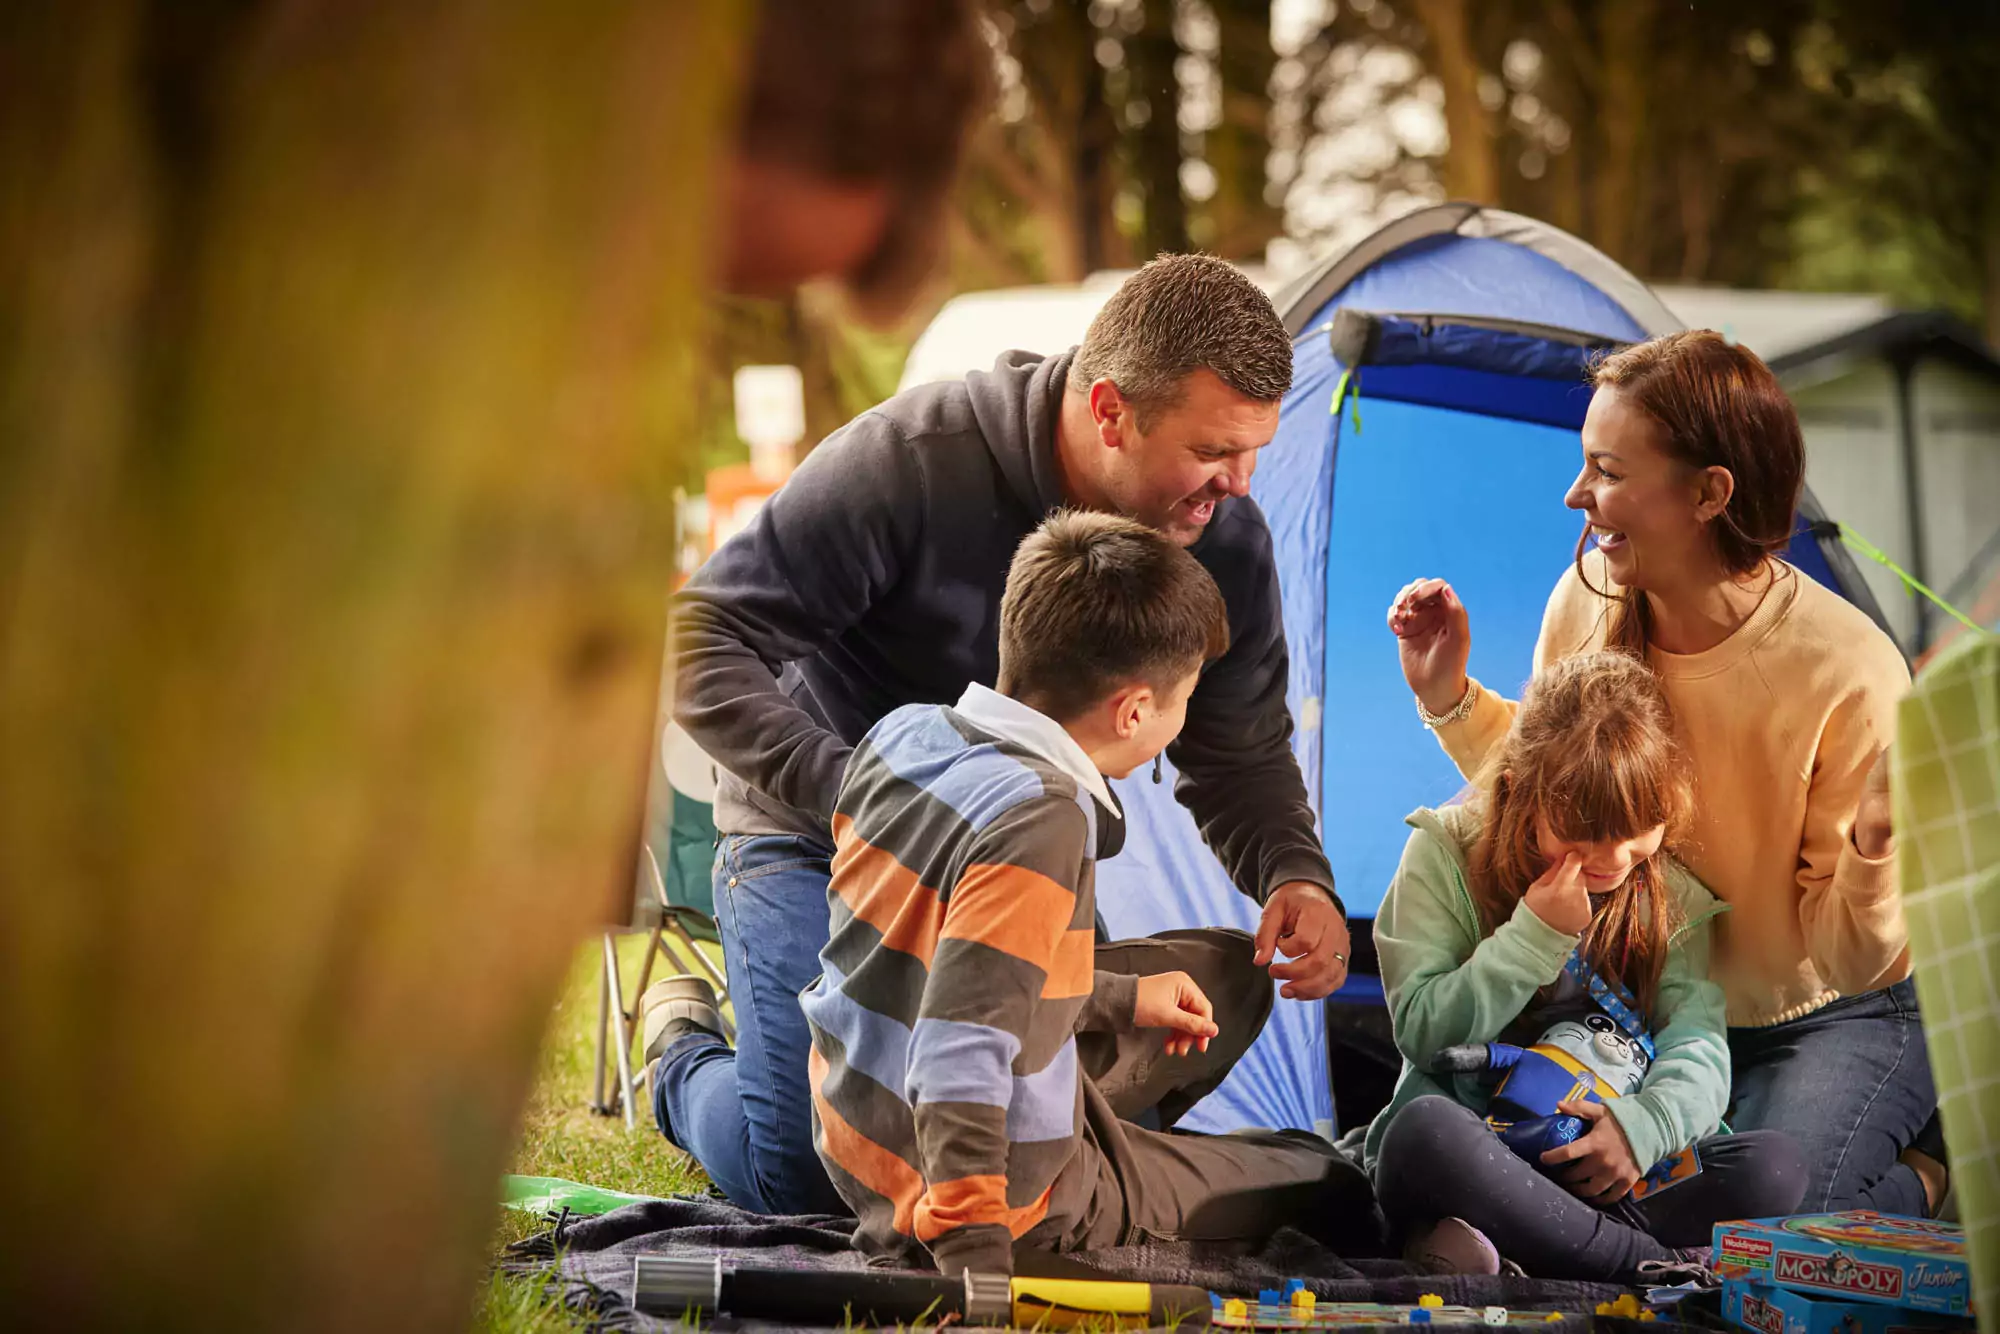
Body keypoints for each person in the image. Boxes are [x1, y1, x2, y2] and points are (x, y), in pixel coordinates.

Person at [654, 254, 1353, 1214]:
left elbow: (1239, 739)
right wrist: (862, 787)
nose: (1238, 485)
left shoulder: (1217, 530)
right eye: (1213, 451)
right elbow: (701, 638)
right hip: (824, 834)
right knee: (815, 1178)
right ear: (1110, 411)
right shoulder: (908, 460)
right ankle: (681, 1055)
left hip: (1022, 859)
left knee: (1043, 1145)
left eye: (1254, 453)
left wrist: (1294, 872)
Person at [1385, 330, 1941, 1218]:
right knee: (1603, 1190)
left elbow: (1857, 959)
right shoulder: (1588, 599)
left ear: (1709, 495)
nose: (1576, 495)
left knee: (1764, 1226)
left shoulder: (1848, 671)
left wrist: (1876, 852)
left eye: (1606, 470)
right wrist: (1449, 696)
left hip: (1827, 1016)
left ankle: (1923, 1180)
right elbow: (1561, 799)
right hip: (1657, 1015)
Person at [798, 511, 1379, 1275]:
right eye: (1184, 701)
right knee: (1331, 1184)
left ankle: (1132, 1142)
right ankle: (1149, 1168)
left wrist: (1124, 999)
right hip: (1015, 1195)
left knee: (1232, 978)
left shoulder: (904, 734)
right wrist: (977, 1255)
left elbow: (932, 960)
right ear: (1136, 711)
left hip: (860, 1133)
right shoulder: (1043, 820)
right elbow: (958, 1049)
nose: (1179, 725)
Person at [1366, 652, 1806, 1281]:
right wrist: (1531, 938)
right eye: (1582, 829)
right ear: (1523, 791)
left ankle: (1520, 1247)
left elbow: (1699, 1047)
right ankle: (1642, 1261)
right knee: (1422, 1134)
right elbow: (1425, 1033)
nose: (1614, 858)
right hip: (1480, 1148)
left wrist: (1640, 1129)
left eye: (1639, 828)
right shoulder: (1444, 855)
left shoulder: (1666, 894)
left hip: (1602, 1166)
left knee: (1776, 1167)